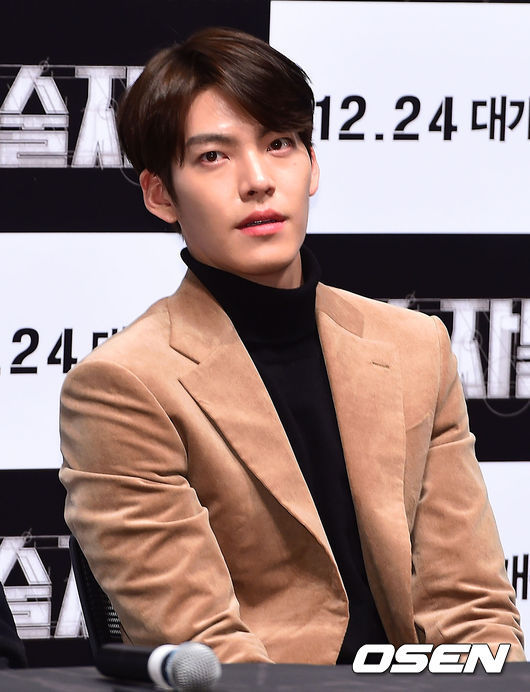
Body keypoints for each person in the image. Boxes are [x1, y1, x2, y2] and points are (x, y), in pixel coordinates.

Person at [59, 27, 525, 664]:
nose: (258, 180)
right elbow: (208, 650)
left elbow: (471, 608)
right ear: (160, 194)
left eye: (279, 144)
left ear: (313, 165)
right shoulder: (121, 385)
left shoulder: (415, 347)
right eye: (213, 157)